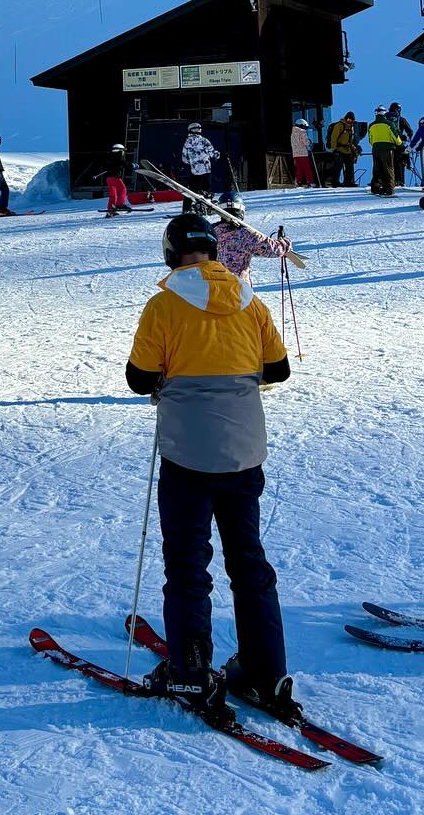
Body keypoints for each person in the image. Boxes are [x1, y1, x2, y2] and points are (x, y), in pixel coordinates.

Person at [125, 209, 294, 715]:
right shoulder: (249, 301)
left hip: (187, 452)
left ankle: (191, 670)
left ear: (171, 254)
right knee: (249, 562)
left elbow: (138, 377)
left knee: (187, 563)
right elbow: (278, 369)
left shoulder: (164, 304)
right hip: (244, 451)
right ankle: (266, 670)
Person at [213, 212, 303, 283]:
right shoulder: (244, 234)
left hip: (215, 286)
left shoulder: (212, 231)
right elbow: (272, 249)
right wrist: (284, 244)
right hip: (239, 288)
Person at [366, 108, 401, 195]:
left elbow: (370, 139)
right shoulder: (388, 124)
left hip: (375, 148)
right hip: (387, 148)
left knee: (377, 168)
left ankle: (375, 187)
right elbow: (395, 136)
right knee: (388, 168)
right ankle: (389, 189)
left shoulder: (371, 125)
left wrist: (375, 145)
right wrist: (400, 144)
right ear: (384, 114)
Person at [180, 123, 219, 196]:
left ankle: (188, 206)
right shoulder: (204, 141)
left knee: (192, 191)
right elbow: (212, 153)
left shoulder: (187, 142)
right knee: (206, 190)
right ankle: (205, 203)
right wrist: (217, 155)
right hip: (206, 171)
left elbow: (184, 158)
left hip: (195, 171)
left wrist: (192, 162)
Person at [325, 111, 360, 187]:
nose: (350, 122)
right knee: (338, 166)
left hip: (347, 150)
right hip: (339, 149)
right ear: (346, 118)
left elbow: (351, 140)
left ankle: (348, 182)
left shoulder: (351, 128)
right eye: (349, 120)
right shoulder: (339, 125)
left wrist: (354, 150)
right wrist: (333, 149)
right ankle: (335, 182)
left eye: (351, 121)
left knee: (349, 166)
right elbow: (333, 138)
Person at [384, 103, 413, 184]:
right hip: (398, 144)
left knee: (387, 164)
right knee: (399, 163)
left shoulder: (385, 118)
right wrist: (408, 139)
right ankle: (399, 181)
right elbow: (410, 131)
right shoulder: (401, 119)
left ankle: (387, 181)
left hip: (386, 145)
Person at [104, 142, 131, 217]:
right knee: (123, 189)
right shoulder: (118, 158)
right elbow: (125, 164)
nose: (123, 153)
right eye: (122, 151)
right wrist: (133, 165)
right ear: (119, 151)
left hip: (108, 178)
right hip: (115, 177)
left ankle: (110, 211)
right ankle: (119, 204)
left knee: (113, 195)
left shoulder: (111, 158)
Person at [288, 119, 315, 188]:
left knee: (299, 168)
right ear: (302, 126)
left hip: (295, 154)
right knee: (307, 168)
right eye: (305, 127)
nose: (305, 129)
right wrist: (309, 142)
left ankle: (298, 182)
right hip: (303, 153)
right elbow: (305, 142)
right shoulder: (302, 132)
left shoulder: (293, 133)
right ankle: (310, 182)